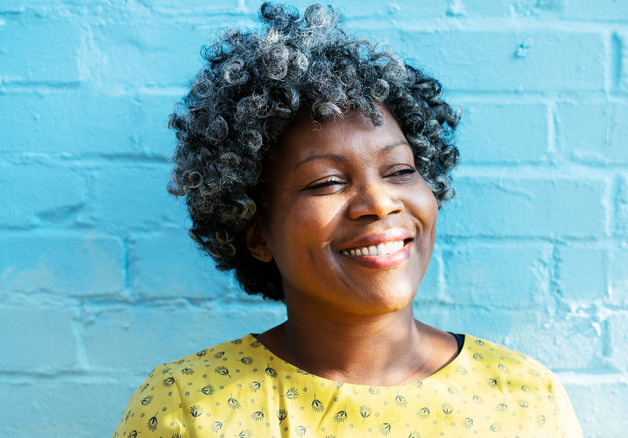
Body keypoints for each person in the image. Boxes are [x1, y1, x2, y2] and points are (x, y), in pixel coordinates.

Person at [112, 3, 582, 437]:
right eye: (326, 182)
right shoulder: (189, 407)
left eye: (400, 170)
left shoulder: (523, 398)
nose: (378, 202)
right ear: (256, 231)